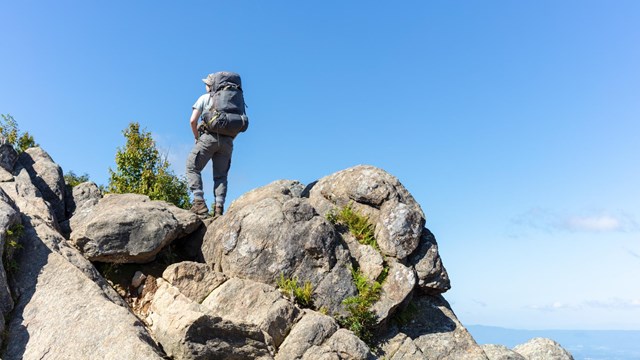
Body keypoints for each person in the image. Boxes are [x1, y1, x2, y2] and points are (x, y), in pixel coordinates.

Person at [185, 73, 235, 217]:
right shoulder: (231, 102)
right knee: (221, 176)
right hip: (228, 141)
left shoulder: (205, 98)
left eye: (207, 83)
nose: (205, 85)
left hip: (208, 138)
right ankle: (218, 209)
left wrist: (197, 137)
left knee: (192, 166)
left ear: (212, 85)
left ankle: (199, 203)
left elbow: (192, 121)